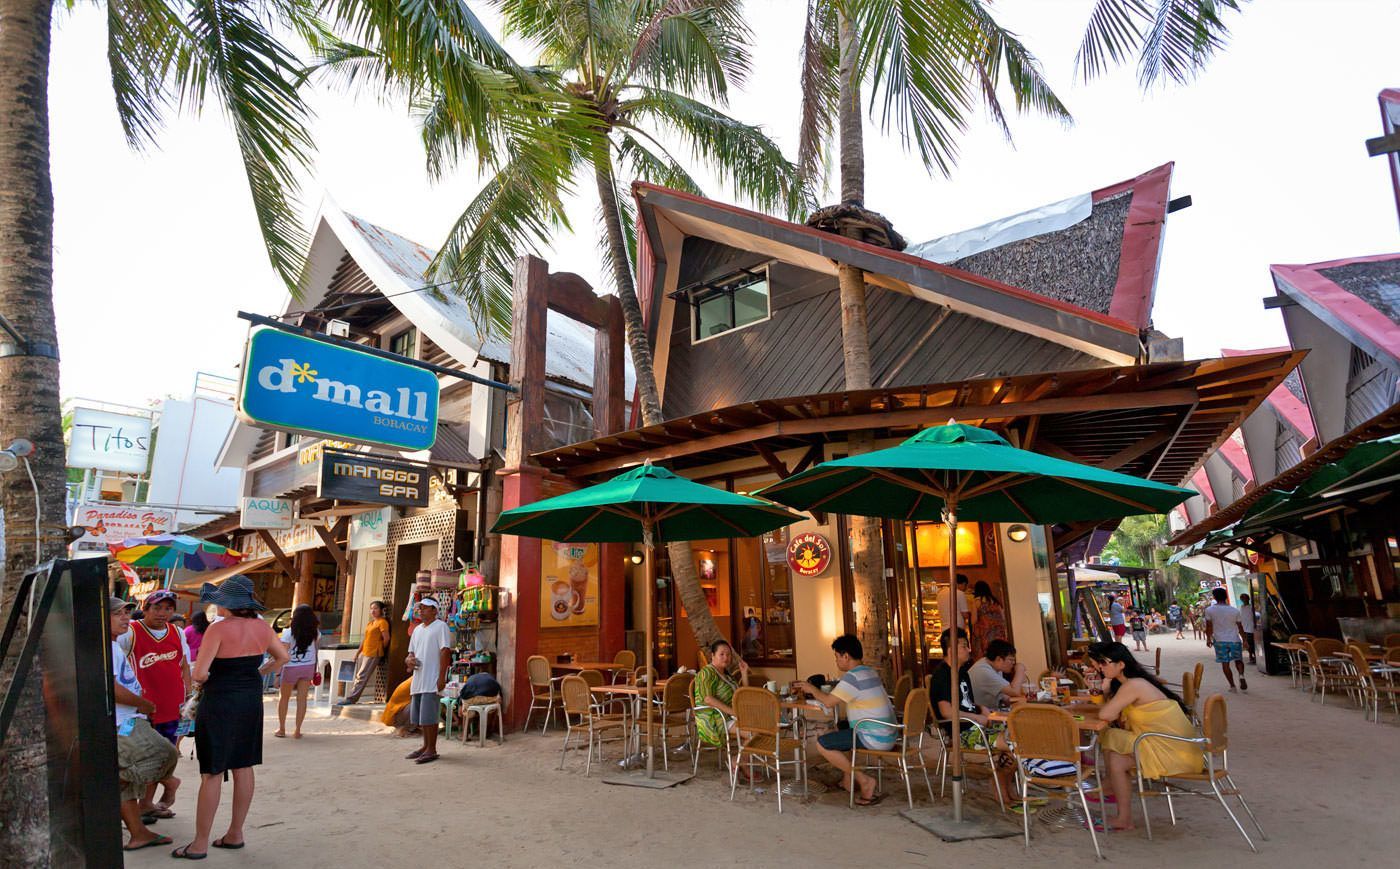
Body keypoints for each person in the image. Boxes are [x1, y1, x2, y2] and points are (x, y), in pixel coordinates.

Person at [176, 576, 289, 859]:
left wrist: (207, 680)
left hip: (220, 701)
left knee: (212, 771)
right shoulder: (262, 628)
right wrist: (258, 673)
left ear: (227, 604)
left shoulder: (218, 630)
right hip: (250, 700)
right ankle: (235, 833)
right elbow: (282, 657)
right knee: (244, 765)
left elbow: (200, 674)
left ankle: (200, 844)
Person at [1086, 642, 1202, 831]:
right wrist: (1105, 692)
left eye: (1103, 663)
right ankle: (1121, 813)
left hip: (1171, 750)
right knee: (1115, 754)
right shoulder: (1133, 683)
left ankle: (1112, 792)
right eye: (1097, 663)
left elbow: (1106, 715)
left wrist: (1104, 689)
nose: (1099, 667)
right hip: (1174, 745)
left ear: (1121, 664)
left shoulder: (1134, 685)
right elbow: (1113, 715)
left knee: (1111, 735)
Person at [110, 597, 179, 853]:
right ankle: (169, 781)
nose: (125, 618)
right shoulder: (110, 646)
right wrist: (145, 704)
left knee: (126, 782)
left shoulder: (114, 645)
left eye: (127, 612)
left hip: (128, 717)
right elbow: (114, 690)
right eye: (118, 614)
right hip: (124, 720)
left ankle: (138, 834)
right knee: (165, 753)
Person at [115, 588, 189, 820]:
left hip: (174, 706)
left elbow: (184, 664)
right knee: (137, 755)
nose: (162, 613)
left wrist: (188, 697)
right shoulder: (131, 632)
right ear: (145, 609)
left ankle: (146, 805)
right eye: (157, 607)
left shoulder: (177, 632)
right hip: (139, 710)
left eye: (168, 608)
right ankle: (164, 787)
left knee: (169, 753)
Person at [796, 635, 895, 806]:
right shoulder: (869, 671)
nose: (836, 661)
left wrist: (810, 688)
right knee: (841, 727)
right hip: (889, 732)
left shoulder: (852, 677)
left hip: (874, 736)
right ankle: (847, 780)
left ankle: (864, 781)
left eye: (836, 656)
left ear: (846, 656)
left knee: (823, 744)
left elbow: (827, 702)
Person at [927, 628, 1016, 801]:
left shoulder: (962, 673)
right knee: (1014, 742)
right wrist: (977, 717)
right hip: (961, 732)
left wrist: (980, 708)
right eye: (964, 646)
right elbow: (946, 712)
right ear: (951, 650)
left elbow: (964, 703)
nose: (969, 650)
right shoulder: (943, 676)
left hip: (975, 725)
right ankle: (1000, 783)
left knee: (1020, 732)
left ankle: (1002, 781)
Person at [404, 598, 453, 764]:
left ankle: (432, 749)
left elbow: (445, 652)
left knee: (430, 716)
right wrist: (409, 661)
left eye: (425, 608)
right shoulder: (417, 630)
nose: (421, 611)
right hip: (418, 678)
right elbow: (411, 653)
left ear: (434, 610)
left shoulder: (441, 627)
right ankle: (425, 746)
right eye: (420, 608)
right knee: (421, 717)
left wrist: (441, 677)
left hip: (432, 677)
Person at [692, 639, 749, 751]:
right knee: (754, 733)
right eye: (721, 654)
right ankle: (738, 762)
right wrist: (733, 712)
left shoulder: (727, 675)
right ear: (712, 656)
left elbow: (743, 695)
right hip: (716, 718)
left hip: (732, 716)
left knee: (764, 728)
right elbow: (708, 699)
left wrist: (744, 673)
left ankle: (741, 762)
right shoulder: (707, 673)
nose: (726, 657)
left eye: (728, 655)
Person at [276, 605, 319, 738]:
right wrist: (315, 669)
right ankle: (297, 730)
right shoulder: (316, 632)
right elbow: (316, 651)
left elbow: (283, 654)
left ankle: (282, 729)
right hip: (308, 667)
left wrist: (277, 674)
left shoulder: (288, 633)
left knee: (284, 698)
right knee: (302, 699)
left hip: (290, 667)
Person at [341, 600, 390, 705]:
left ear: (381, 610)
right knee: (359, 675)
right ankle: (351, 697)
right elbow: (365, 639)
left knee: (362, 676)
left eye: (376, 608)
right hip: (365, 652)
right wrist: (357, 653)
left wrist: (380, 649)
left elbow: (386, 638)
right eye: (371, 608)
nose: (373, 610)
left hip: (374, 653)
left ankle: (351, 698)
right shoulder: (370, 623)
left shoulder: (382, 622)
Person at [1204, 587, 1248, 692]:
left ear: (1214, 597)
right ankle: (1241, 675)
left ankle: (1232, 686)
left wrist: (1208, 639)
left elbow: (1209, 627)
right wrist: (1245, 640)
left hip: (1219, 640)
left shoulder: (1209, 610)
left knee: (1225, 663)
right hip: (1234, 639)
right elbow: (1240, 627)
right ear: (1225, 597)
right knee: (1238, 660)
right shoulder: (1234, 610)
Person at [968, 639, 1029, 710]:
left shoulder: (994, 666)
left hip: (990, 710)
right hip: (981, 715)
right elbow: (1014, 692)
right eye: (1011, 660)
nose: (1013, 663)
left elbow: (1005, 698)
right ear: (999, 659)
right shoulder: (984, 671)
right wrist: (1020, 670)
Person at [969, 580, 1008, 660]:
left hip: (984, 634)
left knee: (987, 656)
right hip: (998, 633)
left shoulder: (977, 601)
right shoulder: (995, 601)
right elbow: (1003, 617)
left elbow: (974, 620)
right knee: (998, 655)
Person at [1238, 593, 1259, 665]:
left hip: (1250, 628)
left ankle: (1254, 657)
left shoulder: (1252, 607)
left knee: (1251, 644)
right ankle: (1251, 657)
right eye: (1242, 598)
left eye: (1245, 598)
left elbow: (1257, 615)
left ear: (1248, 599)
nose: (1243, 600)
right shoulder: (1242, 607)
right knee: (1247, 643)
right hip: (1244, 628)